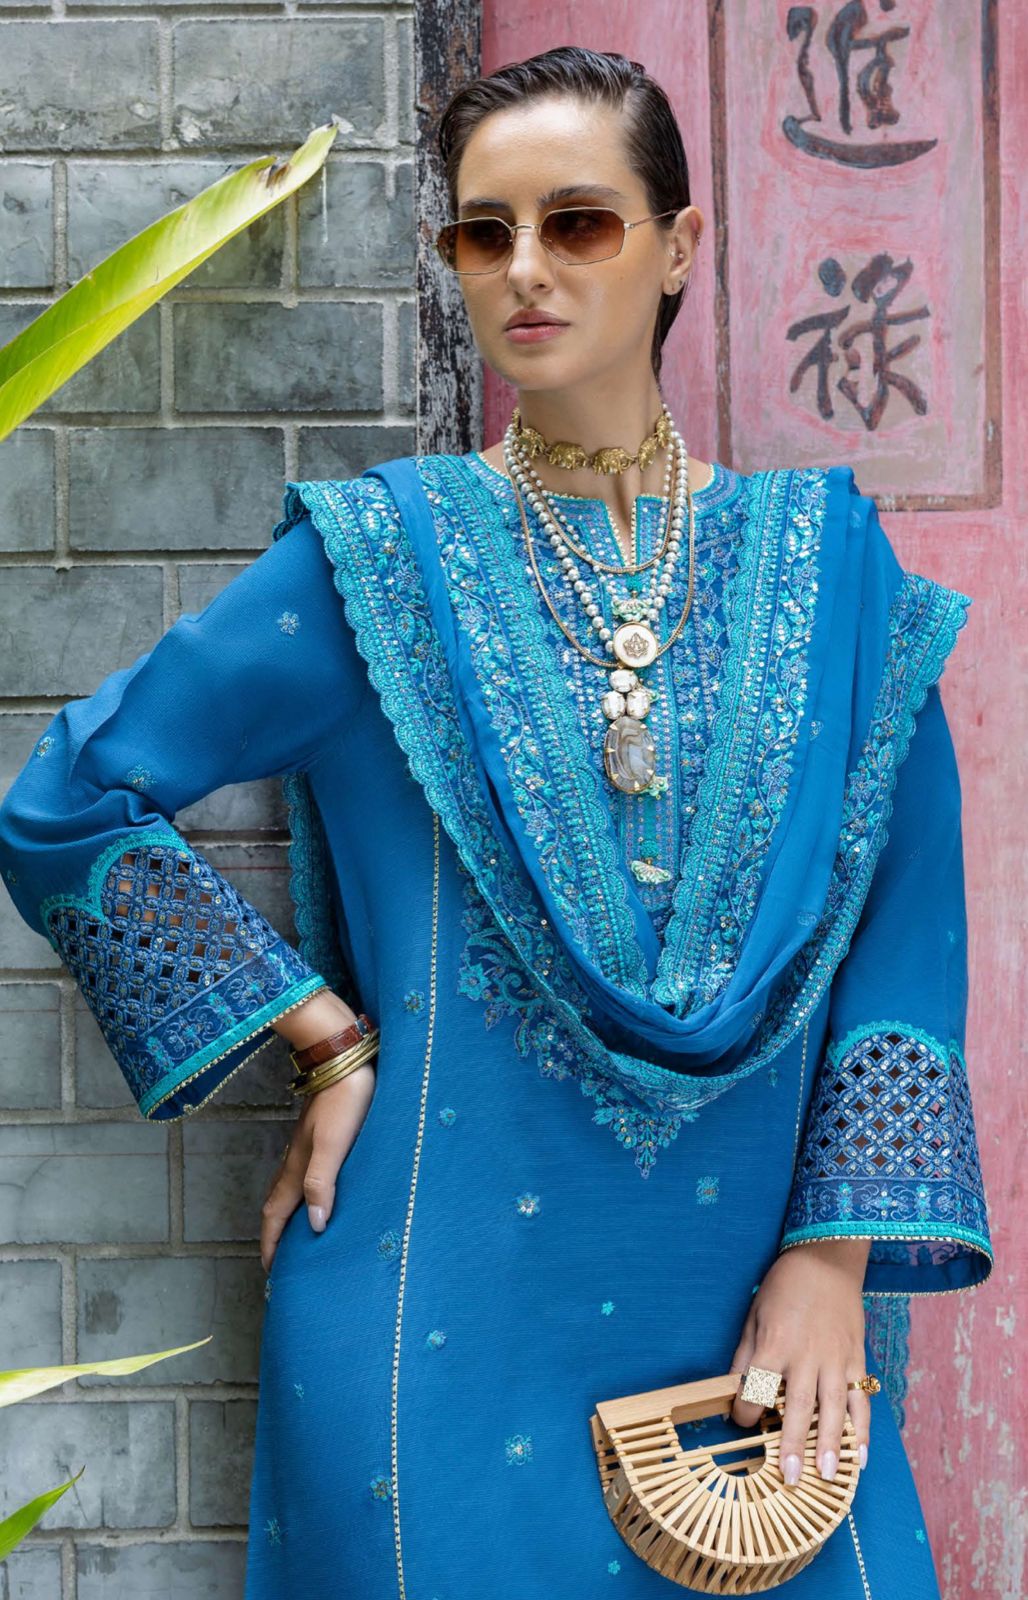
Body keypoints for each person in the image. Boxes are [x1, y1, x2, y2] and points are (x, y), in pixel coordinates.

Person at [0, 44, 993, 1600]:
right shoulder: (379, 565)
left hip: (764, 1331)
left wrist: (831, 1257)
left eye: (578, 222)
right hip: (428, 1323)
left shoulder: (834, 574)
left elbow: (908, 931)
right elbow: (67, 797)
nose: (525, 269)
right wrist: (319, 1035)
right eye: (484, 232)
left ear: (681, 245)